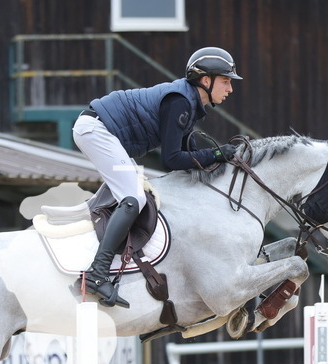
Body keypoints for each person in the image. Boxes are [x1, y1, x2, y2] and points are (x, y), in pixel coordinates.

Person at [73, 46, 243, 308]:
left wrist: (221, 155)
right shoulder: (180, 102)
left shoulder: (188, 102)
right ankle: (97, 274)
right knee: (133, 198)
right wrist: (219, 153)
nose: (230, 89)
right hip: (97, 130)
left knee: (138, 195)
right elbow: (172, 159)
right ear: (205, 80)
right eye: (226, 81)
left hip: (100, 130)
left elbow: (191, 151)